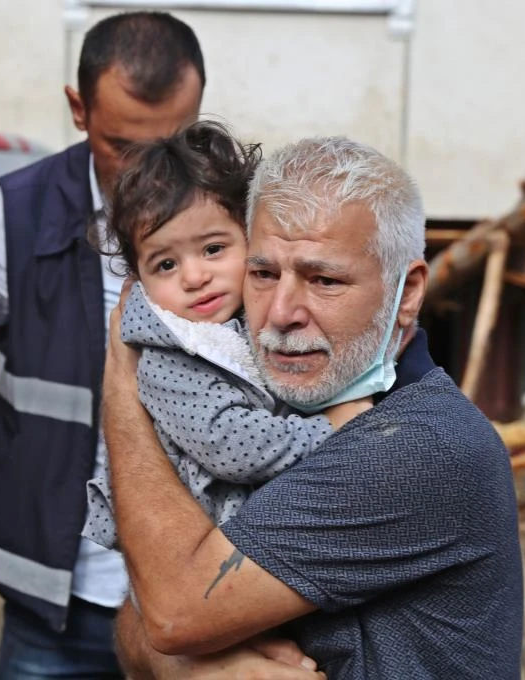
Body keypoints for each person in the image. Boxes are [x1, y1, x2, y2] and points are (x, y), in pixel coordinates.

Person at [0, 12, 293, 680]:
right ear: (78, 110)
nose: (149, 174)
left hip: (212, 609)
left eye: (174, 140)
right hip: (56, 607)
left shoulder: (245, 213)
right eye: (124, 146)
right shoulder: (20, 216)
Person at [102, 137, 525, 679]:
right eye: (263, 274)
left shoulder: (418, 446)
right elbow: (140, 611)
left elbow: (171, 612)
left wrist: (120, 380)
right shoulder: (264, 395)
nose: (279, 314)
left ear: (410, 291)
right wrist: (195, 666)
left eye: (323, 280)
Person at [81, 121, 356, 551]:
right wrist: (332, 429)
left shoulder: (254, 316)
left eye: (213, 249)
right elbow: (232, 447)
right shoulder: (167, 358)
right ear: (139, 278)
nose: (194, 277)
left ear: (250, 236)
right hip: (201, 553)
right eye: (165, 265)